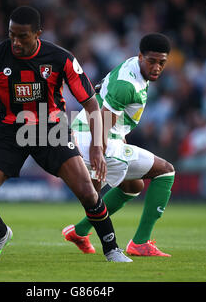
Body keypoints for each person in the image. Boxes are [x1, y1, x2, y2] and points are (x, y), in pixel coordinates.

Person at [0, 6, 131, 262]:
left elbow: (91, 103)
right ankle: (0, 234)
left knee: (87, 191)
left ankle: (112, 249)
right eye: (11, 35)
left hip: (51, 131)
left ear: (38, 33)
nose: (15, 42)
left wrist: (97, 146)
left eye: (22, 36)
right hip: (8, 131)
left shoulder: (61, 58)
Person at [62, 33, 175, 256]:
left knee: (133, 186)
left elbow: (102, 95)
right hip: (94, 136)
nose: (156, 68)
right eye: (151, 61)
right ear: (141, 56)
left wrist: (116, 134)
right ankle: (140, 243)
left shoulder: (132, 65)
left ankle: (80, 230)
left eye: (162, 62)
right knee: (165, 172)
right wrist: (98, 154)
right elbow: (103, 121)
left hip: (89, 130)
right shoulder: (128, 85)